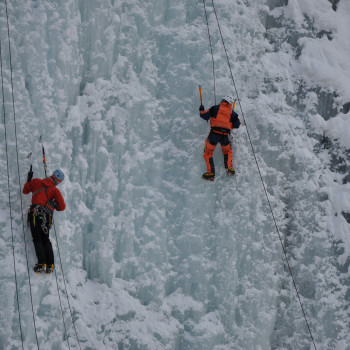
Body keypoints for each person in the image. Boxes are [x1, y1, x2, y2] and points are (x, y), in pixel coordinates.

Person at [23, 169, 66, 273]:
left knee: (37, 239)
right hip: (46, 217)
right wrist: (54, 204)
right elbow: (62, 207)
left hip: (35, 214)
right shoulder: (55, 190)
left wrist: (29, 179)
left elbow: (25, 191)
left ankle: (42, 263)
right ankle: (50, 264)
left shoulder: (37, 181)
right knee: (45, 239)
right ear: (58, 181)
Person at [199, 94, 241, 181]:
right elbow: (237, 125)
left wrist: (201, 110)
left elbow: (204, 116)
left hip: (214, 134)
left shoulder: (215, 108)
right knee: (227, 151)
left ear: (223, 101)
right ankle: (229, 168)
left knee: (208, 153)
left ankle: (211, 173)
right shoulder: (233, 113)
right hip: (225, 136)